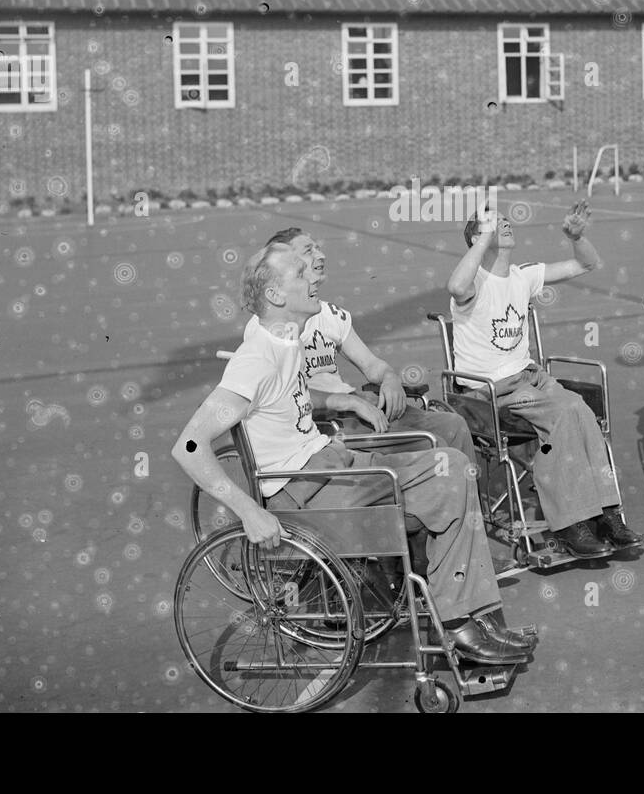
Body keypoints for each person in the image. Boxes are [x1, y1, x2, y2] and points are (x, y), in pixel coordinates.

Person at [172, 242, 536, 665]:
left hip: (329, 464)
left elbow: (281, 397)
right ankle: (460, 624)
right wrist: (249, 512)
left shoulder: (284, 339)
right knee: (446, 479)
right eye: (299, 273)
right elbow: (189, 445)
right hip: (306, 488)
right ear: (275, 295)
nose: (313, 277)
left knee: (451, 466)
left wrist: (341, 401)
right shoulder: (255, 359)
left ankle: (466, 615)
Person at [447, 202, 644, 558]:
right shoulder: (474, 280)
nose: (504, 224)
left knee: (582, 411)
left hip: (530, 378)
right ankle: (570, 523)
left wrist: (577, 237)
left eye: (505, 220)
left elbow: (586, 263)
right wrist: (481, 241)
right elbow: (455, 284)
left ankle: (606, 514)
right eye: (493, 223)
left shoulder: (523, 275)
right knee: (566, 411)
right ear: (478, 236)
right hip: (490, 390)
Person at [260, 227, 476, 462]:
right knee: (436, 446)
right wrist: (350, 402)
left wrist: (390, 379)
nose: (320, 255)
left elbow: (371, 365)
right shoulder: (274, 321)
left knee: (453, 424)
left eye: (318, 248)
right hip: (327, 422)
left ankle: (471, 497)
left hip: (357, 408)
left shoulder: (331, 314)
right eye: (308, 250)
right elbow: (284, 394)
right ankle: (437, 488)